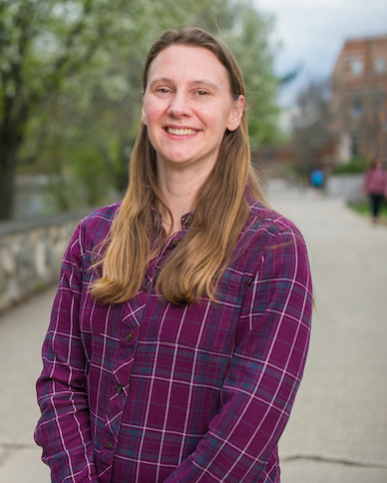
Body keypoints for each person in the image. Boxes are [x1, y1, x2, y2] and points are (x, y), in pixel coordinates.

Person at [34, 27, 313, 483]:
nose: (178, 107)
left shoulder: (272, 247)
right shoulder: (93, 236)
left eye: (201, 92)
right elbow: (60, 383)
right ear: (145, 107)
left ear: (234, 113)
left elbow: (252, 420)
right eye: (164, 89)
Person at [361, 159, 387, 225]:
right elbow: (367, 180)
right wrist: (364, 189)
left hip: (380, 191)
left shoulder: (383, 172)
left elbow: (385, 183)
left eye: (380, 163)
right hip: (372, 190)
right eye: (378, 163)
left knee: (378, 204)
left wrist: (385, 192)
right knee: (373, 203)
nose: (379, 164)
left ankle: (376, 216)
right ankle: (374, 217)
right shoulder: (371, 171)